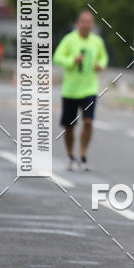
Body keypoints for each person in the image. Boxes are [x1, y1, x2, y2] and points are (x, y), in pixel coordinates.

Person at [53, 10, 108, 171]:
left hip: (89, 89)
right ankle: (70, 155)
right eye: (83, 21)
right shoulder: (69, 40)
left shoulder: (97, 41)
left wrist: (101, 65)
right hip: (70, 90)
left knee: (88, 122)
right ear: (78, 23)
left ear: (93, 24)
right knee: (69, 126)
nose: (86, 24)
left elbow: (103, 58)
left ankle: (82, 154)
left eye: (89, 22)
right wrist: (72, 60)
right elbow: (57, 57)